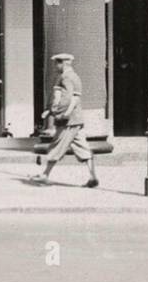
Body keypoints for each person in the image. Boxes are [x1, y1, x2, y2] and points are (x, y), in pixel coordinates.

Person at [32, 53, 99, 187]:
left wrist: (62, 114)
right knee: (83, 148)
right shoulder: (71, 76)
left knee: (56, 146)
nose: (55, 66)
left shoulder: (67, 77)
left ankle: (45, 175)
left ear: (63, 63)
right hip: (75, 120)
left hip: (68, 121)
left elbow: (70, 98)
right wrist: (50, 110)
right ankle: (93, 177)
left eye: (57, 63)